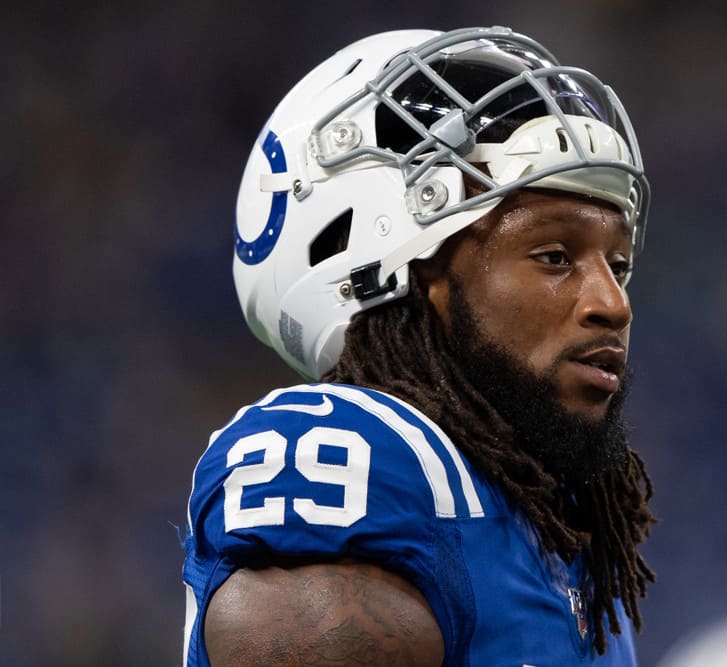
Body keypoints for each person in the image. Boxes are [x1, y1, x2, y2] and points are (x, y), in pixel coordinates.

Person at [182, 26, 655, 666]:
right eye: (554, 255)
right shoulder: (358, 462)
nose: (613, 303)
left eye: (618, 264)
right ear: (396, 270)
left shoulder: (565, 531)